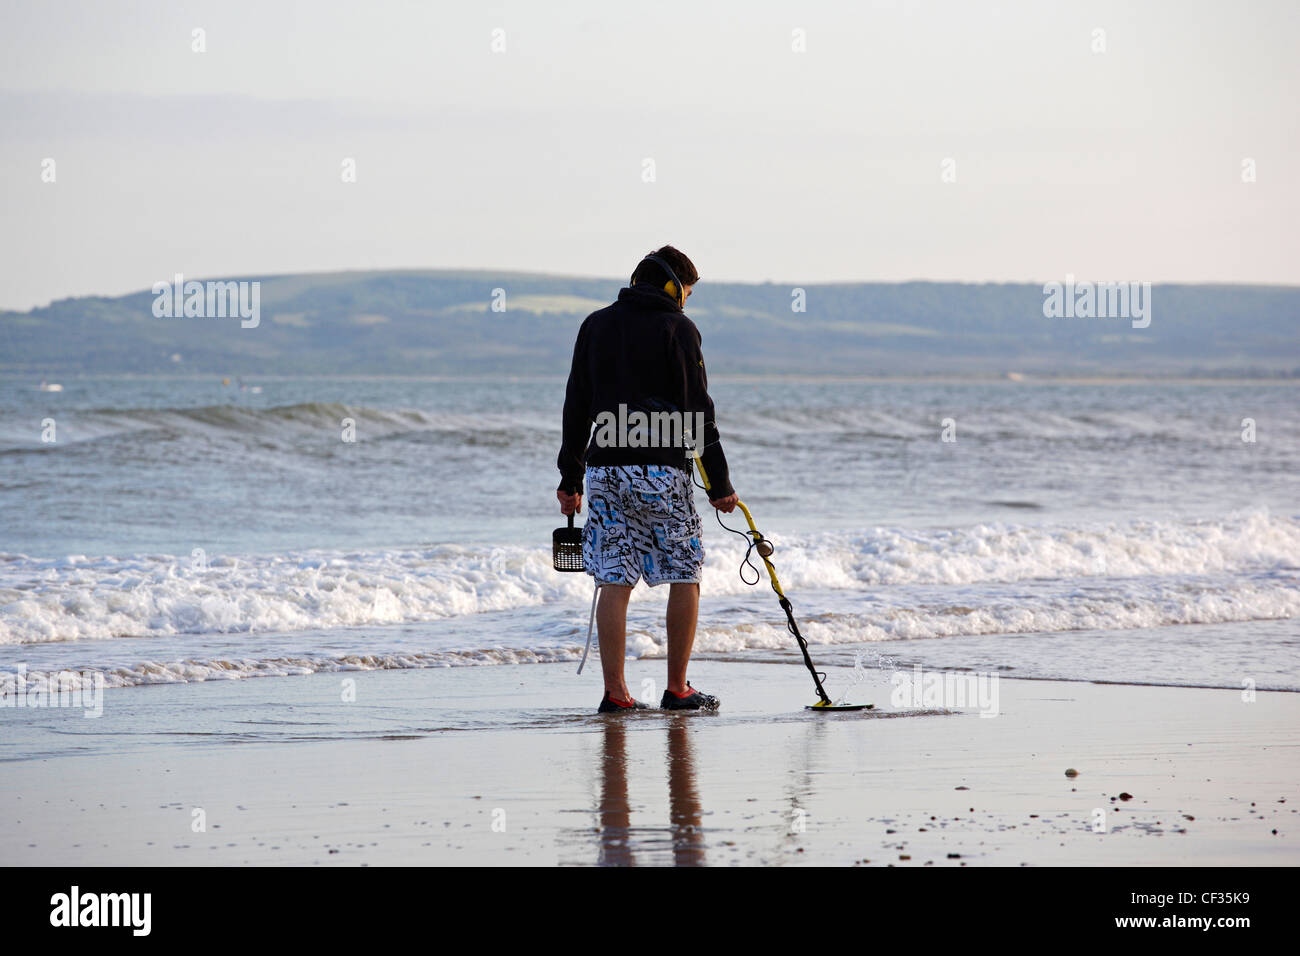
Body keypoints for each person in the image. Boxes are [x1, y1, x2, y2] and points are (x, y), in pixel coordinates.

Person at [556, 245, 738, 713]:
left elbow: (576, 406)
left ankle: (615, 694)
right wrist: (719, 484)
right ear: (672, 287)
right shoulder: (678, 329)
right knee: (685, 571)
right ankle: (678, 689)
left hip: (605, 471)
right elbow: (699, 412)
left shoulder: (595, 325)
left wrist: (569, 478)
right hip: (661, 471)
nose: (686, 303)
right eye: (687, 294)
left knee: (614, 577)